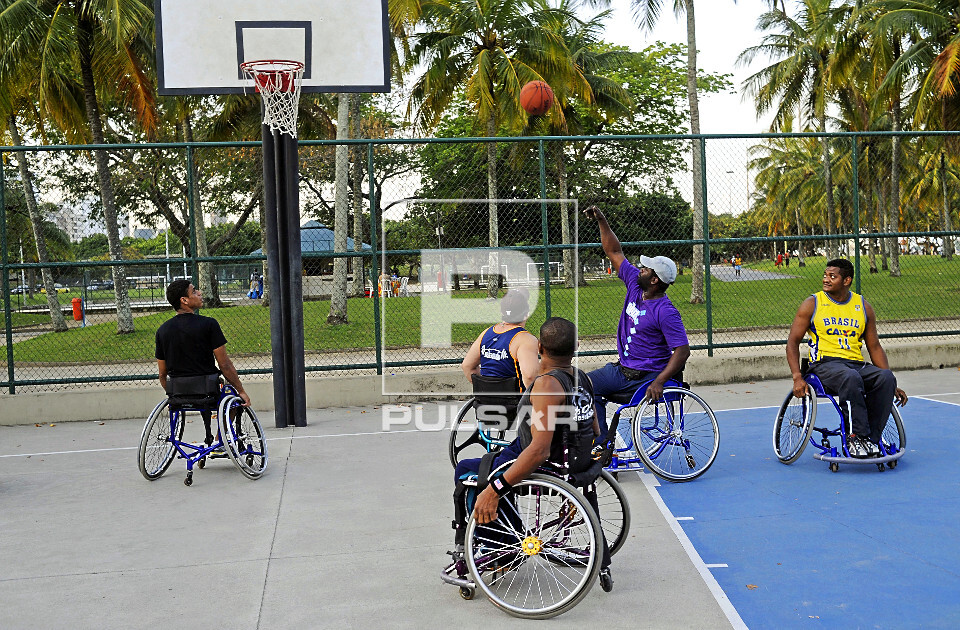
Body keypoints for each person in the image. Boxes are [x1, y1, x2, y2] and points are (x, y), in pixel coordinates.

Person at [451, 317, 610, 581]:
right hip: (575, 459)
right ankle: (507, 532)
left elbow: (539, 451)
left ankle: (500, 549)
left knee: (469, 470)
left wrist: (494, 490)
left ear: (539, 349)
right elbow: (594, 429)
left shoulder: (547, 385)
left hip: (545, 461)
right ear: (576, 347)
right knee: (495, 460)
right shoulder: (582, 378)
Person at [581, 205, 690, 433]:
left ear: (654, 281)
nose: (640, 268)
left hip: (644, 377)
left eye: (646, 269)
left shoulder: (665, 311)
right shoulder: (634, 284)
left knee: (587, 389)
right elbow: (614, 251)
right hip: (623, 369)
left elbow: (682, 351)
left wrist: (659, 381)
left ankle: (598, 447)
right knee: (583, 386)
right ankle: (599, 447)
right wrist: (602, 220)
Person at [786, 258, 908, 458]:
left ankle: (871, 440)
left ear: (847, 280)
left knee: (885, 378)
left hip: (854, 364)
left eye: (832, 276)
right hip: (823, 365)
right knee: (849, 376)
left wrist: (891, 381)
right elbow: (792, 343)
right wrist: (797, 377)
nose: (826, 279)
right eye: (825, 275)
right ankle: (855, 437)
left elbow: (874, 346)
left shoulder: (862, 306)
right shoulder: (813, 304)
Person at [156, 280, 250, 446]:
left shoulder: (162, 331)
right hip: (208, 391)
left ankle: (215, 440)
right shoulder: (208, 324)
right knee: (234, 399)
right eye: (194, 291)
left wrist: (173, 394)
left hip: (178, 392)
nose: (199, 293)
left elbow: (162, 374)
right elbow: (225, 365)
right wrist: (241, 390)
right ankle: (219, 439)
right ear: (184, 300)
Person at [460, 288, 539, 393]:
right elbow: (530, 377)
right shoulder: (525, 339)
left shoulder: (486, 333)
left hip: (486, 402)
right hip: (516, 404)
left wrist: (486, 389)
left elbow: (467, 366)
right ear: (527, 313)